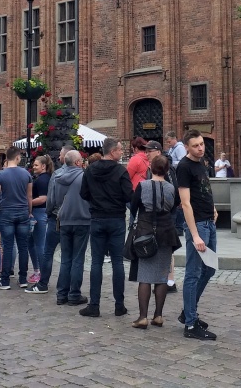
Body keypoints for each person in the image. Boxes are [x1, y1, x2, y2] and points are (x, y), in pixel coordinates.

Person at [79, 137, 133, 317]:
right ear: (112, 151)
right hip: (116, 219)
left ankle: (94, 305)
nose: (122, 152)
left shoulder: (90, 169)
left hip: (97, 218)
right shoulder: (120, 171)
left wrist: (98, 200)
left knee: (96, 262)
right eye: (119, 150)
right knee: (117, 262)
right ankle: (119, 305)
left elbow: (83, 193)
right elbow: (128, 196)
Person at [128, 155, 182, 330]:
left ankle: (142, 317)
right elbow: (174, 207)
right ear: (167, 170)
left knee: (144, 276)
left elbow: (134, 206)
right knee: (161, 276)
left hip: (145, 232)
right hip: (166, 233)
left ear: (150, 168)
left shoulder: (142, 186)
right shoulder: (171, 188)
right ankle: (158, 315)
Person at [177, 130, 219, 340]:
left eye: (202, 144)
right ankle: (191, 325)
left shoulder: (201, 163)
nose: (201, 148)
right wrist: (195, 235)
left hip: (209, 222)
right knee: (193, 273)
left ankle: (188, 311)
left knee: (210, 269)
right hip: (198, 226)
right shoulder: (183, 167)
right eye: (196, 145)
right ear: (186, 147)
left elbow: (204, 189)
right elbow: (185, 203)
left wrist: (214, 207)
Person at [28, 147, 70, 295]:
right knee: (66, 255)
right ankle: (62, 287)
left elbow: (47, 199)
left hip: (49, 215)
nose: (33, 167)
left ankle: (42, 279)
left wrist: (30, 204)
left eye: (36, 165)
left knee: (46, 249)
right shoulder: (79, 175)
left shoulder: (51, 177)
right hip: (67, 217)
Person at [0, 146, 33, 290]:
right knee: (23, 247)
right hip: (22, 211)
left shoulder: (0, 175)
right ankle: (23, 279)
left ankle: (5, 280)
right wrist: (29, 211)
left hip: (6, 212)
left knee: (7, 246)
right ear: (17, 157)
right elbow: (29, 196)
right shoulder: (26, 174)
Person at [54, 150, 91, 305]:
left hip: (65, 219)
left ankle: (62, 294)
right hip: (82, 219)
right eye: (81, 160)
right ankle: (74, 294)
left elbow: (54, 199)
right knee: (77, 259)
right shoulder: (84, 177)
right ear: (77, 162)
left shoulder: (58, 177)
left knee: (65, 258)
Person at [26, 155, 53, 286]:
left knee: (39, 245)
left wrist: (27, 203)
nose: (33, 167)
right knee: (32, 243)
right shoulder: (41, 178)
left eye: (36, 165)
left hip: (39, 212)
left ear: (43, 166)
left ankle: (42, 273)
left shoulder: (43, 180)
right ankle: (38, 270)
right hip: (37, 212)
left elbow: (43, 198)